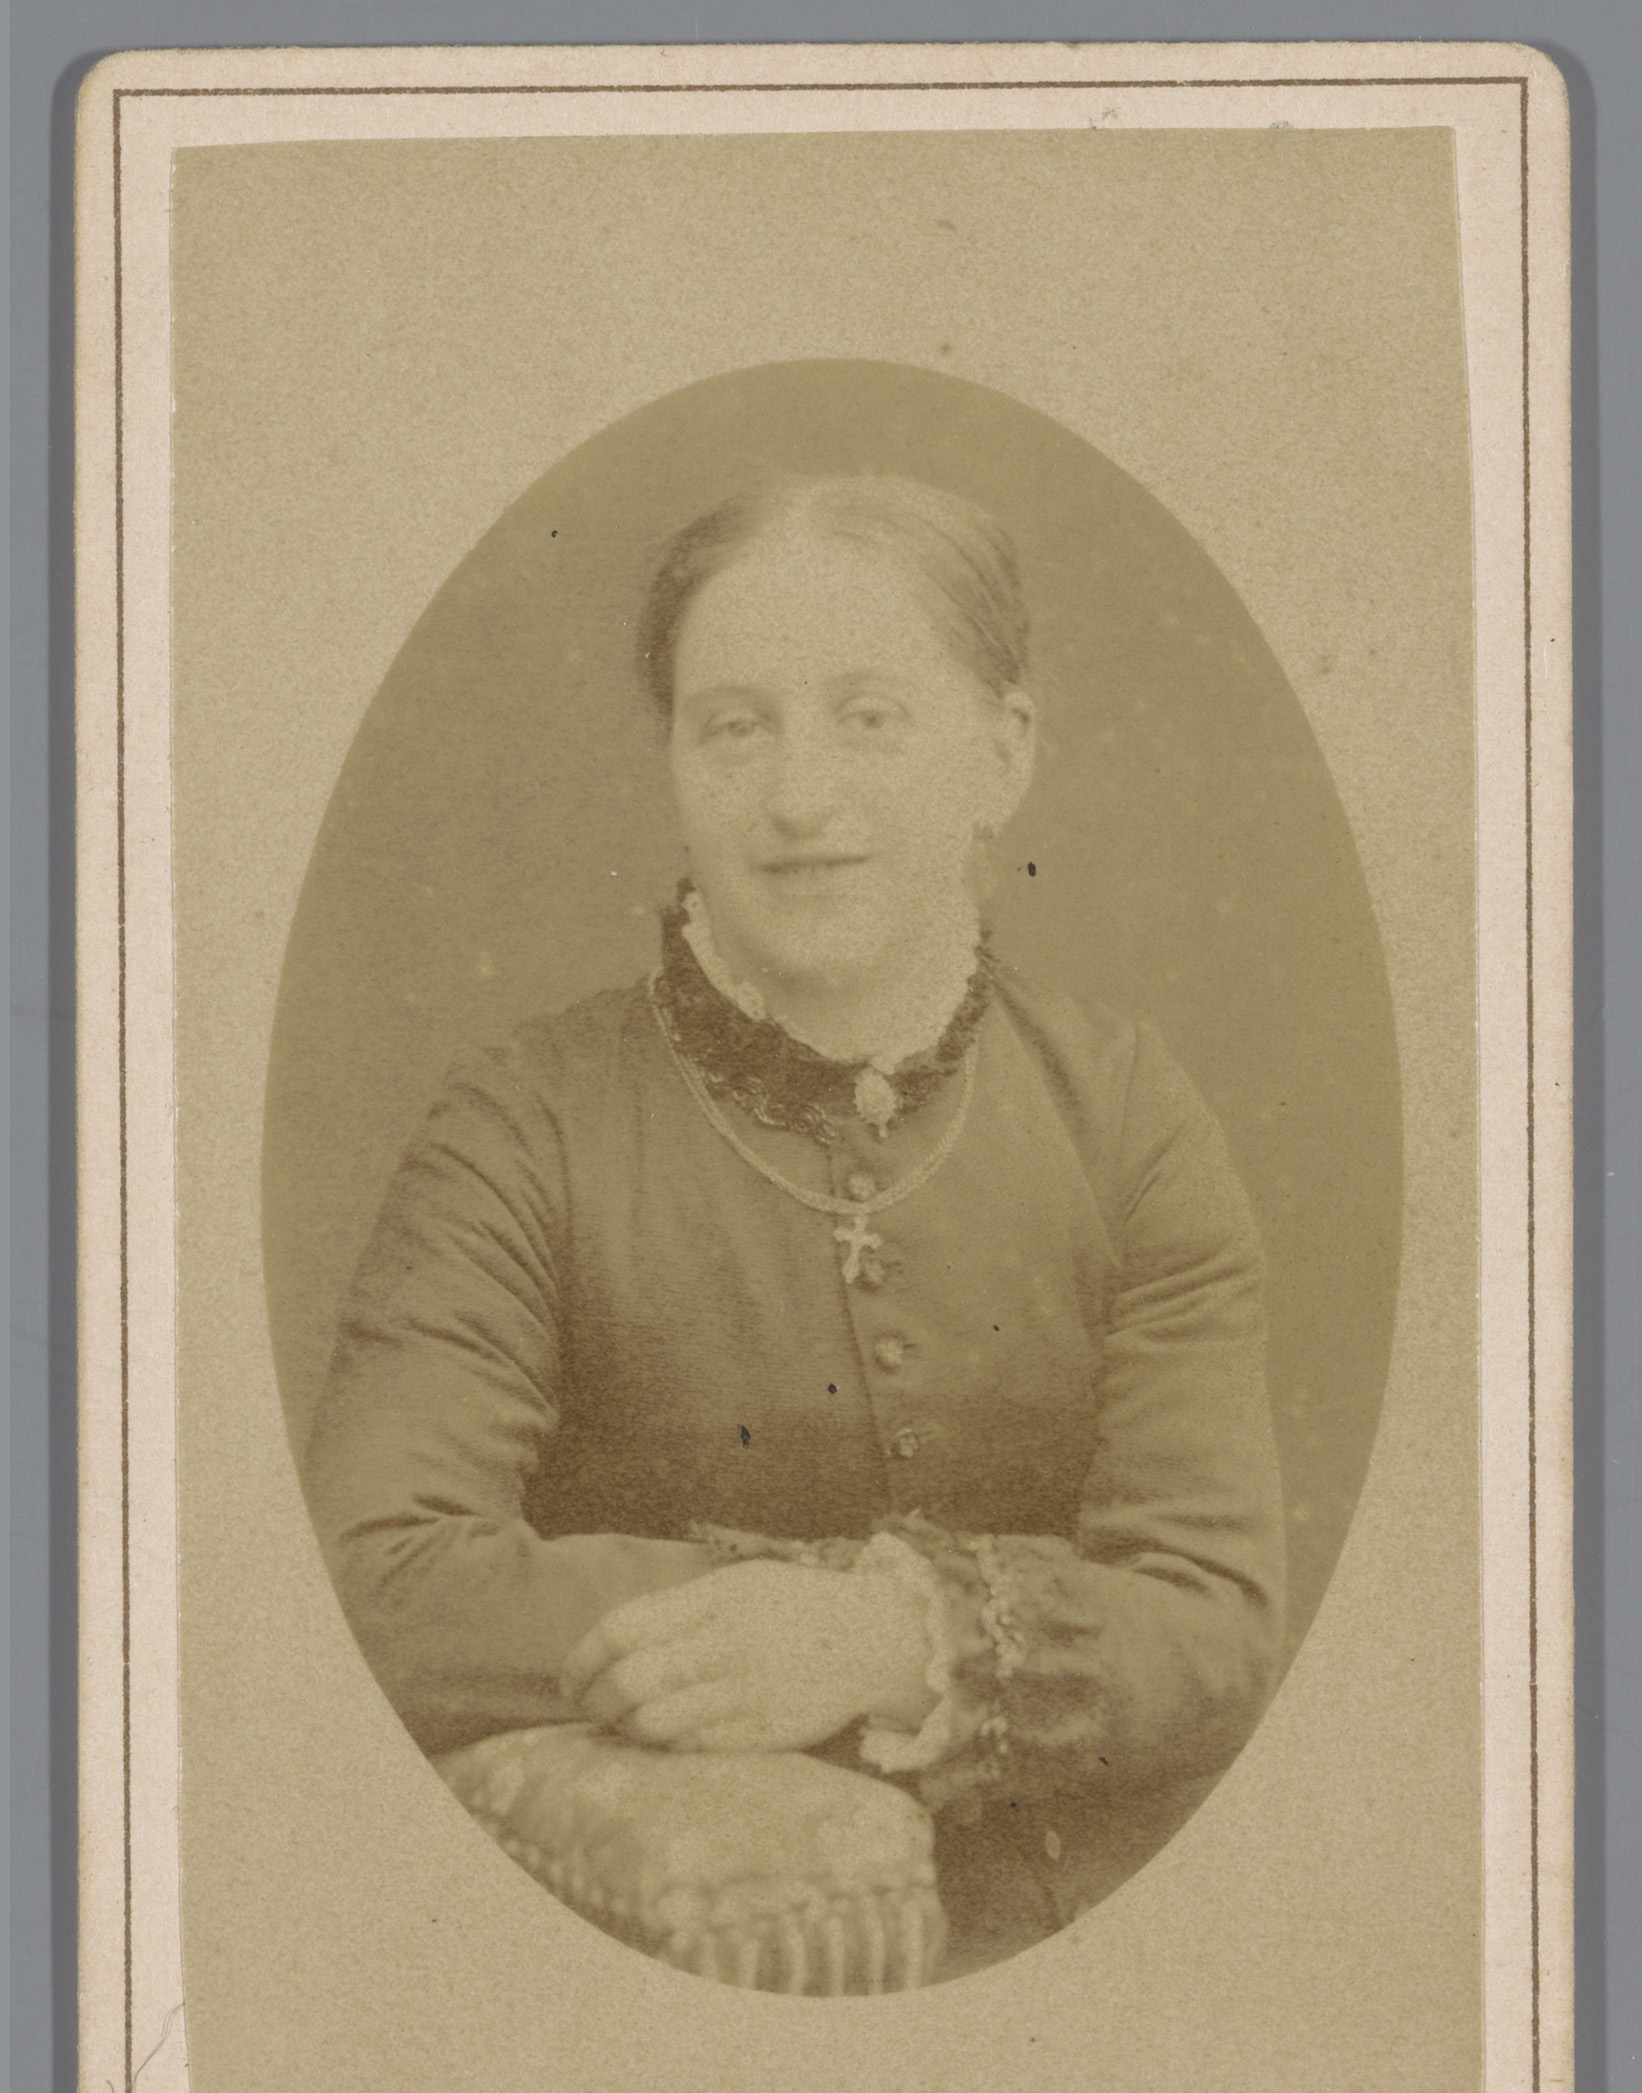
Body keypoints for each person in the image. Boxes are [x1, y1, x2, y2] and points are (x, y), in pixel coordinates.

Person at [303, 472, 1286, 1977]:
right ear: (674, 761)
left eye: (869, 717)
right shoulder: (524, 1123)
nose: (798, 796)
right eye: (734, 725)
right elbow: (376, 1581)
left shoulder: (1128, 1113)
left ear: (1002, 754)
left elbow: (1212, 1621)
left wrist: (888, 1641)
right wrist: (766, 1626)